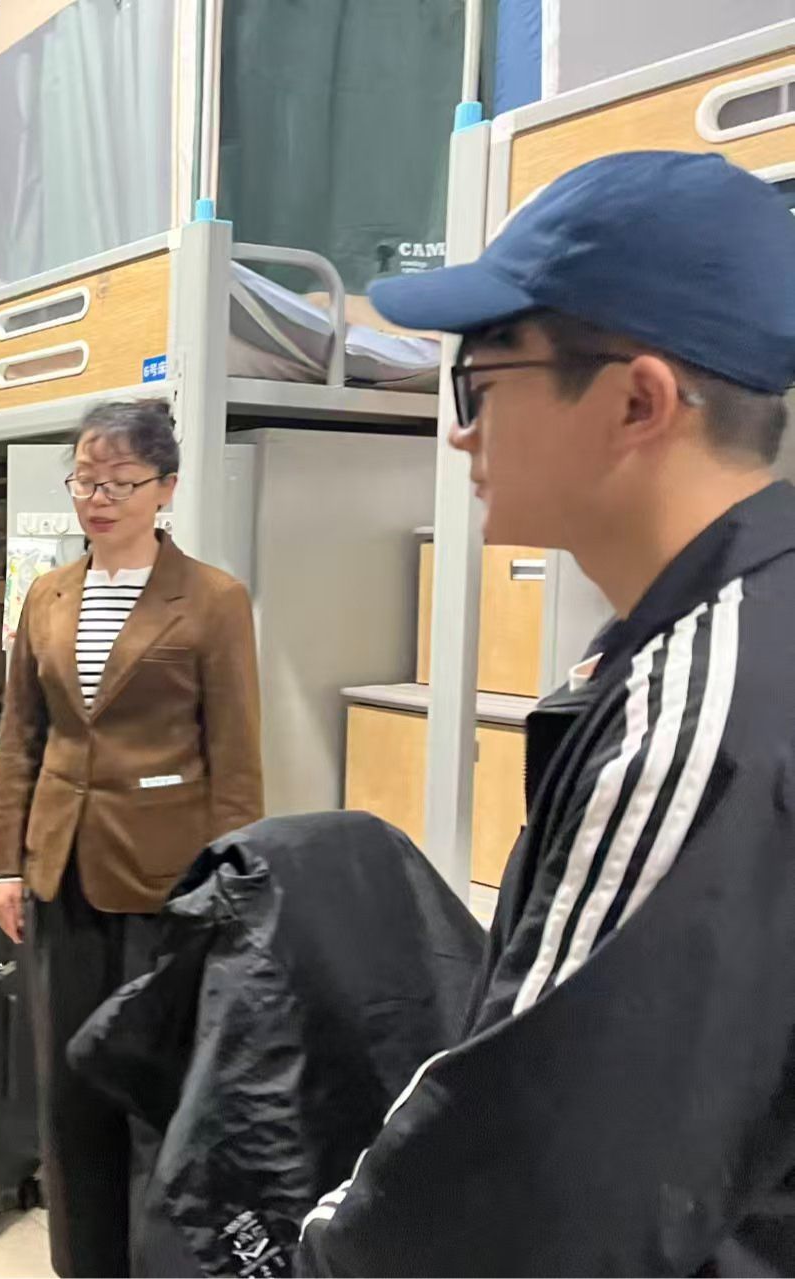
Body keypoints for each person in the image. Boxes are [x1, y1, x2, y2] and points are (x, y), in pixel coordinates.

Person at [298, 151, 795, 1274]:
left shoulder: (697, 714)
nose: (458, 430)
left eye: (479, 376)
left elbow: (523, 1172)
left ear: (636, 401)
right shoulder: (720, 637)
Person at [0, 399, 265, 1277]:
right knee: (69, 1089)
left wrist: (233, 892)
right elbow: (22, 737)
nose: (97, 498)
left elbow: (236, 759)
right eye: (85, 480)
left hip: (167, 884)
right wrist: (3, 864)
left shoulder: (213, 598)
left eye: (119, 482)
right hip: (58, 873)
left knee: (154, 1090)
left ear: (165, 488)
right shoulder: (47, 594)